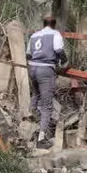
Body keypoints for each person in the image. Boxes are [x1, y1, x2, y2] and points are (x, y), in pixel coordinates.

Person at [27, 15, 67, 150]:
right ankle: (41, 138)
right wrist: (64, 61)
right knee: (47, 105)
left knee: (35, 95)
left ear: (43, 24)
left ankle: (28, 123)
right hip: (45, 71)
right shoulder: (55, 34)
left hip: (32, 69)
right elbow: (59, 50)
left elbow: (28, 54)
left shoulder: (34, 35)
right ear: (54, 25)